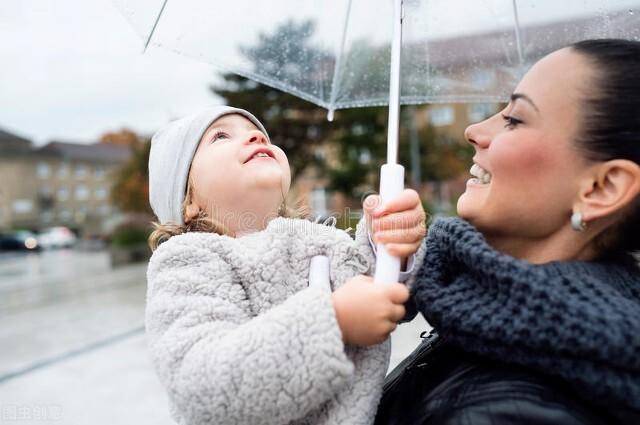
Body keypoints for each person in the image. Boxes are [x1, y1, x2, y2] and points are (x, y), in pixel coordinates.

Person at [372, 39, 640, 425]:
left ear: (602, 188)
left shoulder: (504, 408)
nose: (473, 130)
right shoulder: (498, 326)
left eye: (514, 119)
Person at [144, 105, 426, 425]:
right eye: (221, 136)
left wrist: (392, 245)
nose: (254, 136)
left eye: (262, 135)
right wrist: (335, 321)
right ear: (187, 199)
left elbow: (376, 293)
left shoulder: (319, 241)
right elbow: (201, 382)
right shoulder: (185, 261)